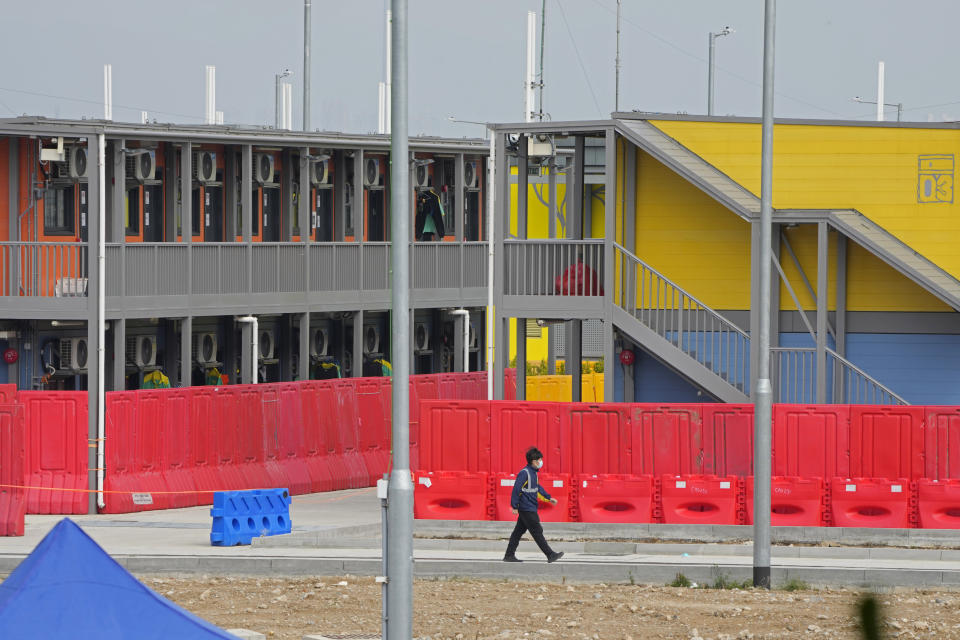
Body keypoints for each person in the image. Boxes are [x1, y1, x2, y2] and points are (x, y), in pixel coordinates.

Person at [503, 447, 564, 563]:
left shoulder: (533, 473)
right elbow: (516, 489)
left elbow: (537, 488)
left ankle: (509, 555)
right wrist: (514, 506)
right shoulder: (524, 473)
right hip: (526, 508)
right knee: (537, 531)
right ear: (534, 461)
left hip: (529, 506)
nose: (541, 462)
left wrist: (548, 498)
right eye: (539, 459)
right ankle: (550, 554)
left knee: (517, 532)